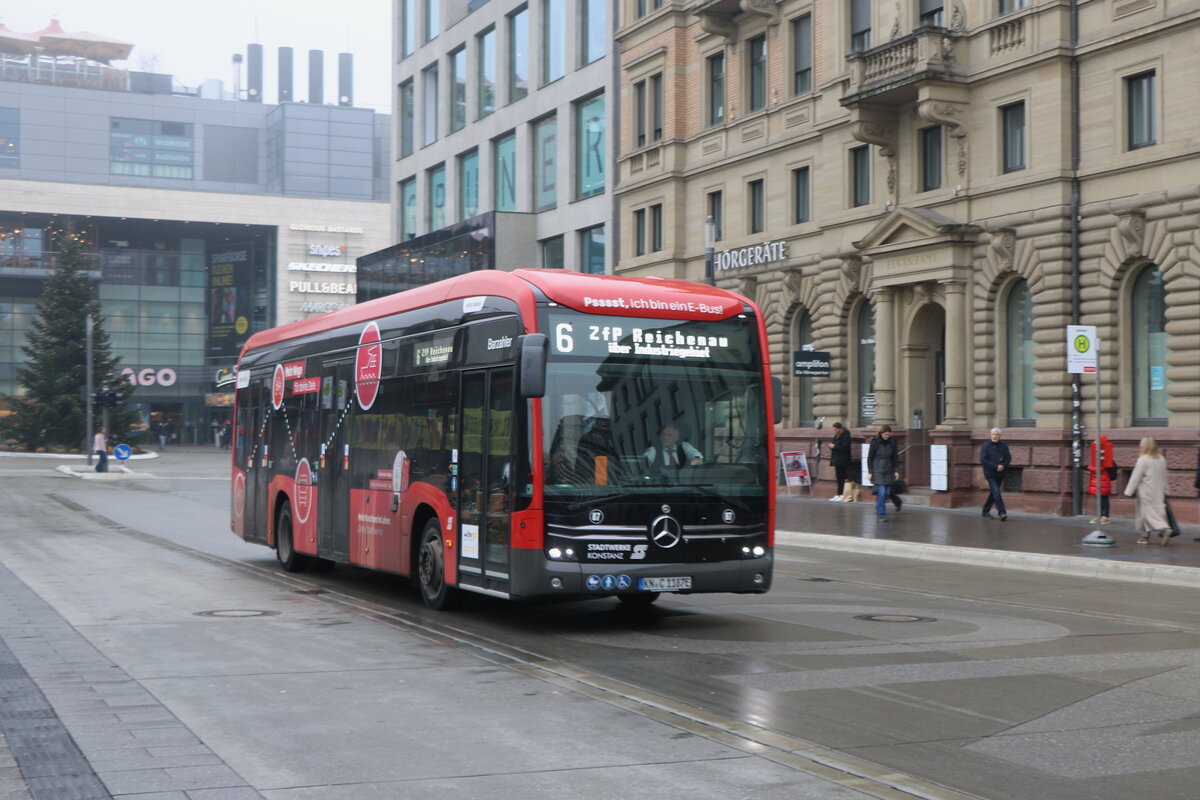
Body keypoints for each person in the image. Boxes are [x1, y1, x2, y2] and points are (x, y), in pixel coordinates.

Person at [1124, 437, 1171, 545]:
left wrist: (1128, 491)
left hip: (1146, 490)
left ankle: (1164, 529)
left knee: (1147, 514)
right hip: (1159, 490)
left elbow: (1136, 476)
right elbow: (1164, 475)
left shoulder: (1143, 459)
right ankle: (1145, 536)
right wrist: (1166, 489)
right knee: (1155, 512)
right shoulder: (1161, 458)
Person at [866, 425, 900, 522]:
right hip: (878, 471)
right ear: (881, 434)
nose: (887, 436)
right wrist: (870, 472)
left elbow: (894, 458)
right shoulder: (875, 442)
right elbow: (870, 458)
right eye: (885, 435)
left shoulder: (892, 442)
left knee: (887, 493)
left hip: (888, 471)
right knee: (882, 493)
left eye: (888, 435)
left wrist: (896, 470)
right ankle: (882, 515)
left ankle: (879, 507)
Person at [979, 427, 1011, 520]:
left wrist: (1003, 466)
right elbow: (983, 460)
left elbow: (1008, 458)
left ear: (1000, 436)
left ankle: (985, 511)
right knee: (996, 491)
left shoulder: (1004, 446)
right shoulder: (985, 446)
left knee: (994, 493)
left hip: (1000, 473)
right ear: (991, 435)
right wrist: (995, 467)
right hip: (990, 473)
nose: (995, 436)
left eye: (997, 434)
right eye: (993, 434)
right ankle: (1002, 513)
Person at [1087, 434, 1115, 524]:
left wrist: (1089, 467)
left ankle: (1105, 516)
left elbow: (1099, 468)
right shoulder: (1098, 456)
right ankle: (1100, 516)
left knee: (1103, 499)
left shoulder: (1105, 457)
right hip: (1097, 481)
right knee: (1100, 499)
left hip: (1102, 482)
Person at [828, 422, 851, 502]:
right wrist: (832, 446)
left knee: (842, 477)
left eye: (835, 430)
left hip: (843, 460)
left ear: (839, 428)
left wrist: (835, 446)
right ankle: (838, 494)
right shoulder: (837, 435)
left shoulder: (845, 435)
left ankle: (842, 494)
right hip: (837, 459)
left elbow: (845, 447)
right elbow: (835, 445)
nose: (834, 431)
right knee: (838, 478)